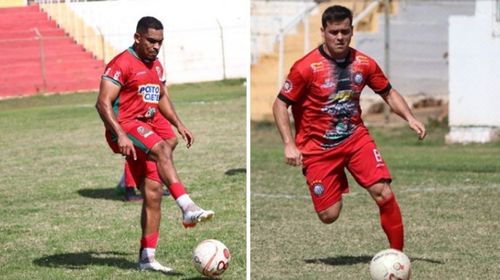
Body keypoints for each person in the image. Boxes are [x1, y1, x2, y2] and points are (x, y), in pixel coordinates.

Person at [272, 5, 426, 252]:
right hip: (317, 148)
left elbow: (387, 92)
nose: (340, 37)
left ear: (352, 31)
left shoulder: (364, 63)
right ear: (323, 32)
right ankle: (335, 177)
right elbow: (280, 105)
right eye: (334, 32)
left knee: (383, 192)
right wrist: (289, 144)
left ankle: (398, 257)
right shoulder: (305, 68)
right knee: (329, 215)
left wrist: (410, 117)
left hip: (356, 140)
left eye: (344, 31)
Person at [96, 16, 214, 273]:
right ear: (137, 37)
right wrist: (121, 134)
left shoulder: (157, 66)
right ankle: (187, 206)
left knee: (153, 192)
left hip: (146, 124)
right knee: (161, 149)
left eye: (160, 42)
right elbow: (103, 103)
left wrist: (179, 123)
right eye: (151, 41)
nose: (156, 46)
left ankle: (147, 259)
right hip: (124, 125)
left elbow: (160, 96)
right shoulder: (121, 64)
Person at [116, 114, 177, 202]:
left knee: (170, 140)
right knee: (137, 151)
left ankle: (154, 183)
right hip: (137, 114)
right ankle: (129, 189)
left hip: (153, 109)